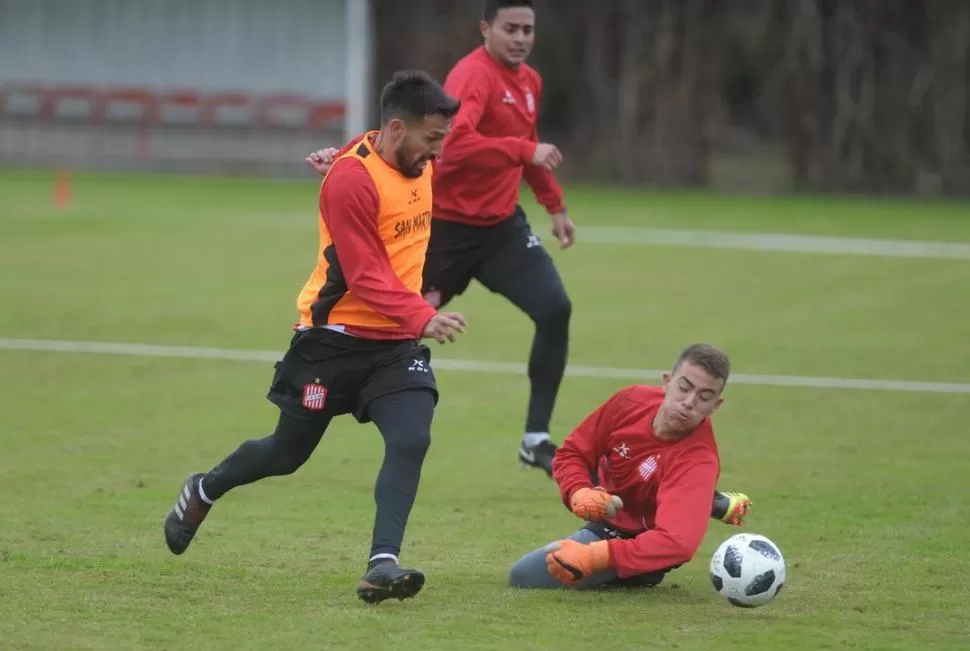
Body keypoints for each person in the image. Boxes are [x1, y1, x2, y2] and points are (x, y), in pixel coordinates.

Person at [163, 69, 466, 604]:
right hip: (333, 340)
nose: (437, 153)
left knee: (411, 436)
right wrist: (422, 316)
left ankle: (382, 564)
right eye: (431, 139)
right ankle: (204, 489)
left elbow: (366, 149)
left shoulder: (401, 156)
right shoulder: (353, 181)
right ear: (397, 128)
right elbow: (366, 275)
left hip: (393, 346)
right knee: (286, 453)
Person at [307, 0, 574, 478]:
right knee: (405, 320)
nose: (520, 38)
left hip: (500, 229)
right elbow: (454, 145)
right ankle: (332, 401)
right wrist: (523, 149)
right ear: (485, 29)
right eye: (510, 28)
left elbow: (529, 152)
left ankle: (536, 439)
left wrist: (554, 206)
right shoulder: (473, 77)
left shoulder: (530, 81)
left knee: (555, 308)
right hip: (442, 231)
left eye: (527, 29)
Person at [507, 343, 752, 590]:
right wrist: (579, 492)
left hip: (641, 535)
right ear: (667, 382)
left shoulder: (699, 461)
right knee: (621, 467)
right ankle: (707, 501)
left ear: (715, 406)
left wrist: (596, 556)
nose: (689, 402)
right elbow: (573, 452)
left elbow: (677, 543)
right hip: (612, 498)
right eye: (684, 387)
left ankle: (646, 566)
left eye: (704, 397)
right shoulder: (631, 401)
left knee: (526, 576)